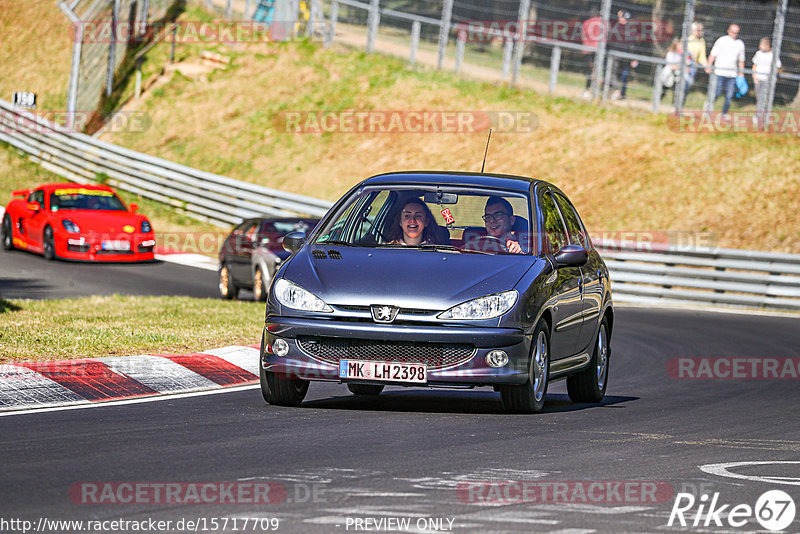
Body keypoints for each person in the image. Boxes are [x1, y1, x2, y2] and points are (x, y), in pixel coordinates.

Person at [707, 24, 745, 119]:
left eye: (736, 32)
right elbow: (712, 55)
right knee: (717, 92)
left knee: (729, 96)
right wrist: (709, 65)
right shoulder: (721, 40)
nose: (734, 34)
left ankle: (724, 114)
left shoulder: (740, 44)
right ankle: (708, 109)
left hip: (732, 75)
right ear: (728, 31)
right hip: (719, 72)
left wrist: (741, 74)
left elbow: (741, 60)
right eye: (733, 32)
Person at [752, 37, 782, 116]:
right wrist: (754, 77)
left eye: (762, 45)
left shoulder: (773, 55)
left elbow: (778, 67)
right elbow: (754, 65)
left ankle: (760, 115)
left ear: (768, 46)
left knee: (763, 98)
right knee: (759, 98)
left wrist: (772, 77)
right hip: (758, 79)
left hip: (767, 81)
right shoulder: (758, 53)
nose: (760, 47)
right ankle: (760, 114)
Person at [581, 9, 605, 98]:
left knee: (590, 71)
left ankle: (587, 89)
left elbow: (583, 35)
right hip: (598, 50)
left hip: (588, 49)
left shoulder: (586, 23)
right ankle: (599, 89)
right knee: (599, 69)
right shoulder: (602, 22)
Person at [686, 21, 708, 90]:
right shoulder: (687, 39)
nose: (700, 32)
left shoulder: (701, 41)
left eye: (701, 30)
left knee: (688, 85)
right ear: (693, 30)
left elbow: (702, 57)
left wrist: (706, 66)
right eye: (698, 30)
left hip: (693, 67)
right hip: (685, 65)